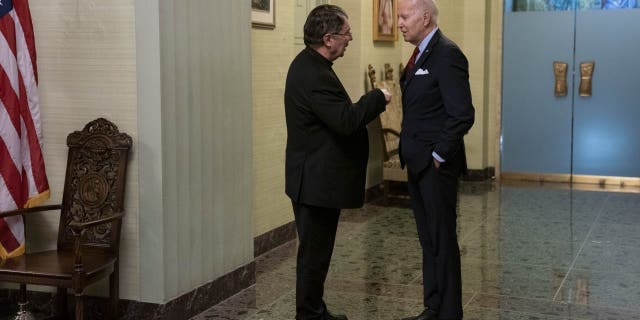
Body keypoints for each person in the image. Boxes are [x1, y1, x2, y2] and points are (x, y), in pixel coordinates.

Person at [284, 4, 391, 320]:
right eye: (346, 33)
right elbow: (346, 121)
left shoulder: (311, 65)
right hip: (314, 182)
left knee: (316, 254)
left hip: (315, 179)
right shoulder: (314, 74)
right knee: (314, 255)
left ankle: (315, 310)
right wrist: (377, 97)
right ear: (328, 38)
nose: (351, 38)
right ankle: (309, 314)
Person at [396, 0, 475, 319]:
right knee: (428, 240)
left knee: (442, 241)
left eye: (404, 16)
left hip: (434, 167)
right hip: (416, 162)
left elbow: (462, 114)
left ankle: (449, 313)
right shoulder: (419, 55)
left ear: (424, 17)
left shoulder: (447, 53)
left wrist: (438, 156)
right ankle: (433, 306)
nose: (399, 23)